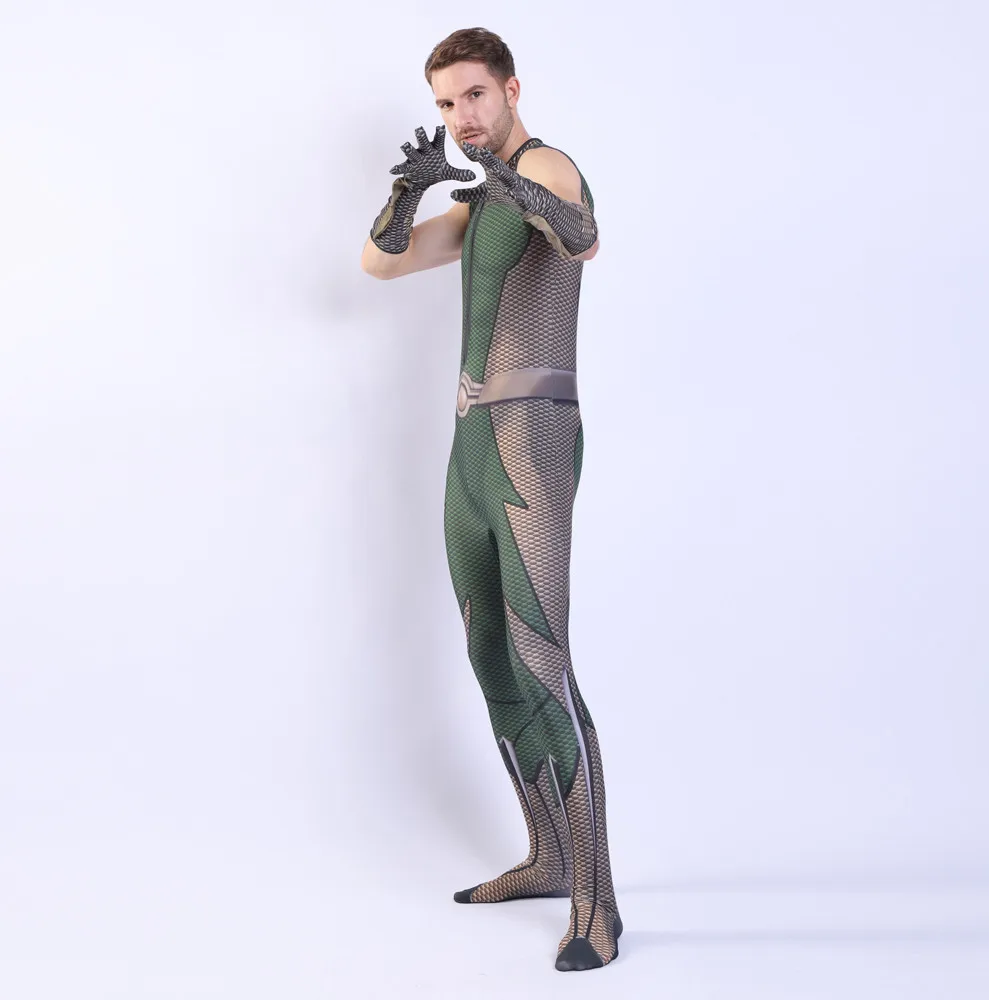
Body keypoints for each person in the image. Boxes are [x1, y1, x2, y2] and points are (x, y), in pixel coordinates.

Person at [360, 27, 621, 972]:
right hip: (470, 443)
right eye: (444, 103)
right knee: (489, 652)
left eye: (473, 95)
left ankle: (597, 903)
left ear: (510, 89)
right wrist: (409, 190)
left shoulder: (544, 165)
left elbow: (583, 237)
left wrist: (508, 182)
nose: (460, 116)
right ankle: (547, 856)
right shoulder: (480, 201)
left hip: (533, 436)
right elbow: (382, 262)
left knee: (543, 659)